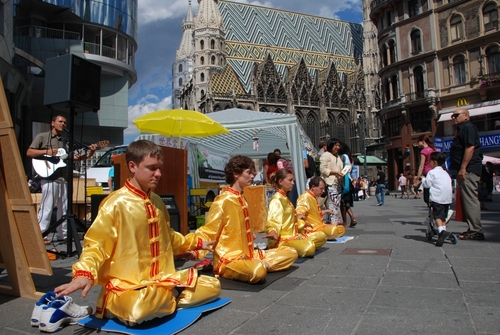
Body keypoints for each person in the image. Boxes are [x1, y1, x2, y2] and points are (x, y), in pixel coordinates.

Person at [54, 140, 221, 326]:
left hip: (160, 281)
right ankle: (166, 296)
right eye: (152, 168)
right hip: (128, 287)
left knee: (212, 286)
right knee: (138, 310)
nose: (158, 174)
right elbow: (96, 244)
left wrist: (195, 243)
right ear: (132, 166)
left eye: (160, 168)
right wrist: (84, 273)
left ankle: (165, 296)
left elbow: (169, 237)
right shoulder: (115, 203)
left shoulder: (157, 201)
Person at [183, 155, 298, 284]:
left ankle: (259, 263)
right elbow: (209, 230)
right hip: (229, 260)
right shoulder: (223, 200)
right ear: (236, 174)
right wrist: (194, 251)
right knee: (257, 272)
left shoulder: (243, 199)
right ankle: (259, 265)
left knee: (291, 252)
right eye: (249, 173)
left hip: (248, 254)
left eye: (252, 173)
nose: (252, 176)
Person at [26, 115, 96, 243]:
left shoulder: (66, 141)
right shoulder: (42, 137)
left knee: (65, 208)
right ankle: (42, 234)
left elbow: (74, 157)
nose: (63, 124)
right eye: (60, 121)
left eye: (65, 122)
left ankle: (62, 234)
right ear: (52, 123)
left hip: (64, 178)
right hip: (50, 177)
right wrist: (47, 152)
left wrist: (90, 153)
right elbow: (29, 152)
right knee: (47, 206)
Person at [265, 168, 326, 257]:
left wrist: (303, 224)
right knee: (309, 247)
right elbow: (273, 220)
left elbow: (290, 221)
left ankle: (294, 247)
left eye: (293, 180)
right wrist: (272, 231)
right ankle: (284, 250)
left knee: (321, 236)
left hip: (293, 235)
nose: (293, 183)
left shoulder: (285, 198)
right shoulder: (277, 199)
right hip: (282, 240)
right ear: (281, 181)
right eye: (290, 180)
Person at [448, 108, 484, 240]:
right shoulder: (462, 129)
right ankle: (473, 228)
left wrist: (463, 168)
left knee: (470, 200)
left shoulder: (468, 127)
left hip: (468, 170)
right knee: (467, 200)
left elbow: (470, 148)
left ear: (466, 116)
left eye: (456, 115)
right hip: (464, 170)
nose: (453, 117)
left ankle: (476, 231)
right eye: (452, 115)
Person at [422, 152, 454, 247]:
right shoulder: (446, 173)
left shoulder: (431, 172)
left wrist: (423, 180)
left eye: (430, 161)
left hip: (437, 197)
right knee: (443, 216)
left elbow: (427, 184)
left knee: (437, 216)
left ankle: (441, 231)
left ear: (435, 162)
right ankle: (443, 230)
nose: (429, 163)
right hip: (447, 198)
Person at [319, 138, 344, 224]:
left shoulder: (337, 156)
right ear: (331, 145)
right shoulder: (326, 155)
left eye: (339, 145)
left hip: (338, 183)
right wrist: (335, 172)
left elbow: (340, 168)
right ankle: (334, 222)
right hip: (329, 183)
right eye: (335, 145)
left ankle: (333, 222)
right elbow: (322, 169)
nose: (337, 147)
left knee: (336, 203)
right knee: (332, 204)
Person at [416, 134, 438, 209]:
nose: (417, 143)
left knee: (427, 197)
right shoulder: (434, 149)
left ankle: (431, 215)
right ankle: (434, 214)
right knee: (434, 195)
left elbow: (421, 166)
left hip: (427, 174)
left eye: (418, 141)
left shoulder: (424, 151)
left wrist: (418, 179)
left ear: (423, 141)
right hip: (436, 173)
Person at [339, 142, 357, 227]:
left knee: (342, 203)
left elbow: (342, 169)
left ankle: (345, 222)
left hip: (344, 181)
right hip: (348, 180)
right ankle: (353, 219)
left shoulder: (343, 156)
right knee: (346, 203)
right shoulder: (350, 158)